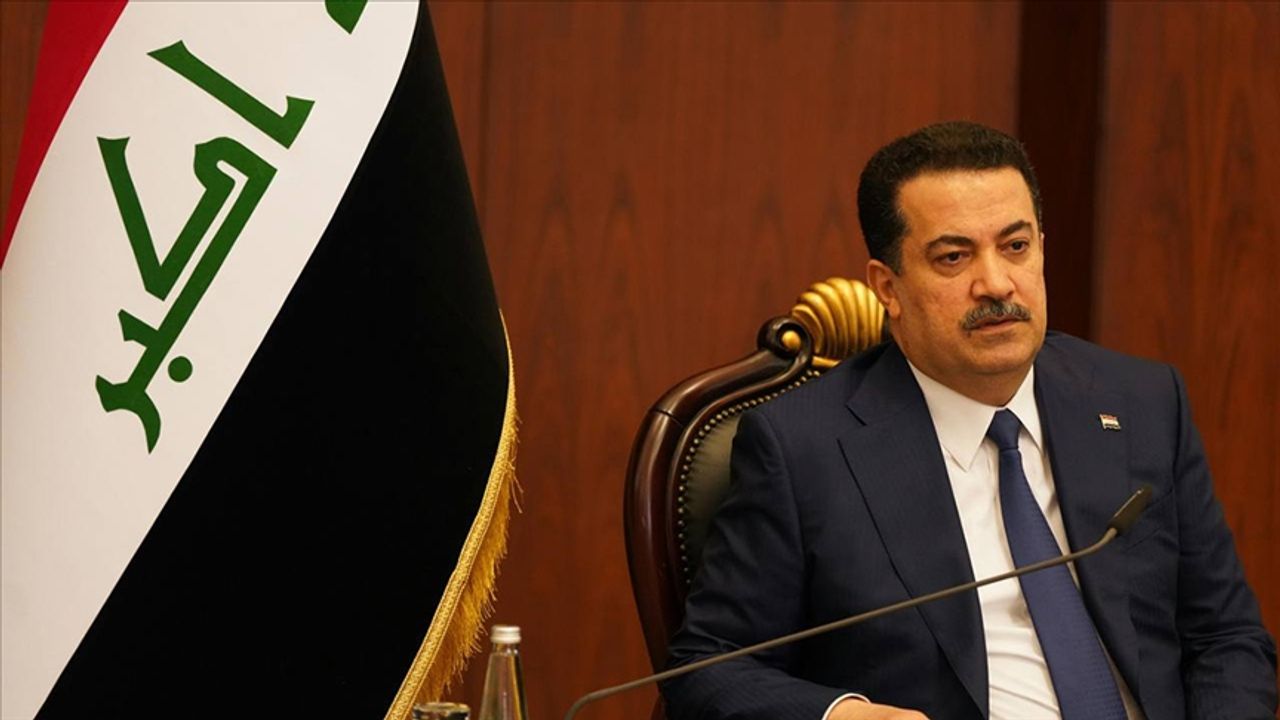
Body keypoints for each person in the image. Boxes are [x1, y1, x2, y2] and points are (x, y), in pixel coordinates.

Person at [661, 122, 1277, 720]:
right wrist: (843, 715)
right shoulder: (801, 449)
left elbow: (1226, 637)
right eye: (954, 257)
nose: (996, 283)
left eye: (1016, 246)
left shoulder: (1142, 401)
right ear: (888, 287)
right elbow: (707, 668)